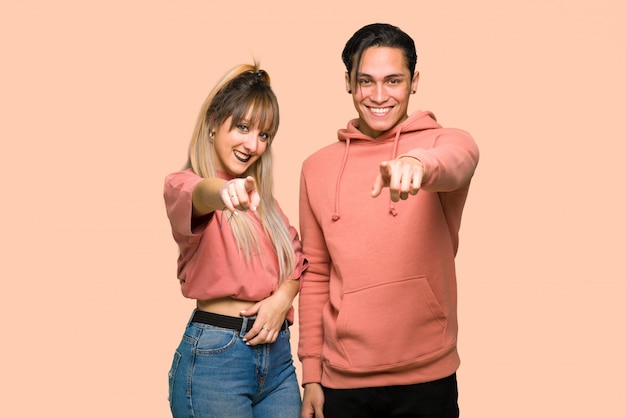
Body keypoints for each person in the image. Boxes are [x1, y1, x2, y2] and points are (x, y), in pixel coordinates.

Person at [297, 23, 480, 418]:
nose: (379, 96)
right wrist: (311, 373)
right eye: (366, 81)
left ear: (414, 82)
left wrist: (417, 163)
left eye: (393, 80)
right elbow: (315, 273)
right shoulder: (316, 168)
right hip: (342, 380)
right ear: (348, 82)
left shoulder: (442, 142)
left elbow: (460, 159)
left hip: (427, 378)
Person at [164, 63, 307, 418]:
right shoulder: (182, 185)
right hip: (217, 357)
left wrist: (282, 299)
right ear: (214, 123)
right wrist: (226, 190)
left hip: (278, 362)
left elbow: (299, 261)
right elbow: (202, 194)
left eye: (264, 135)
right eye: (242, 127)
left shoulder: (267, 205)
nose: (253, 144)